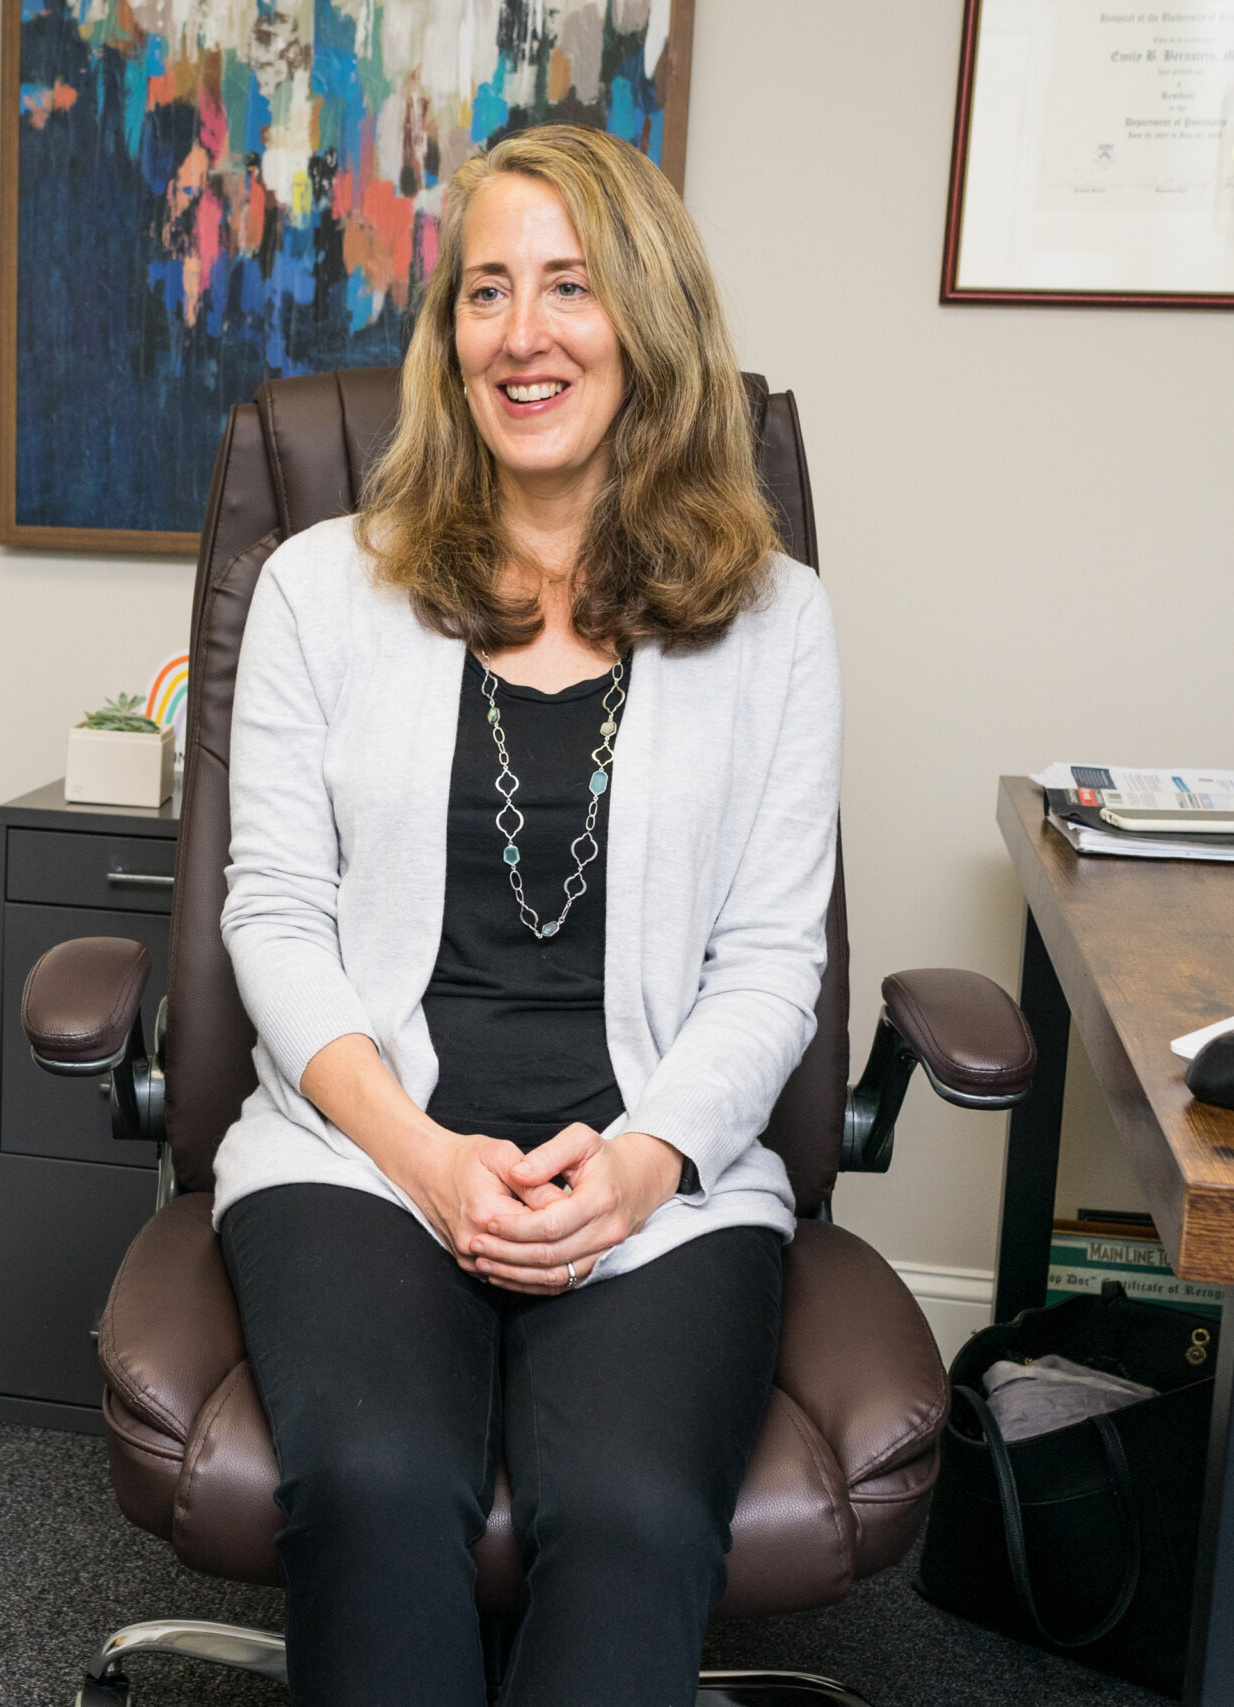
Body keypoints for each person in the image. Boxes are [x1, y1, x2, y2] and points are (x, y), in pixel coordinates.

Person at [212, 125, 840, 1707]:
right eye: (485, 290)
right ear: (450, 338)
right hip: (364, 1154)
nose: (522, 332)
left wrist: (638, 1168)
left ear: (649, 321)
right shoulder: (317, 591)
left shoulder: (775, 625)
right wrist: (424, 1159)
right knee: (371, 1485)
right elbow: (275, 916)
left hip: (654, 1177)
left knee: (629, 1516)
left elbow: (774, 964)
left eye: (569, 285)